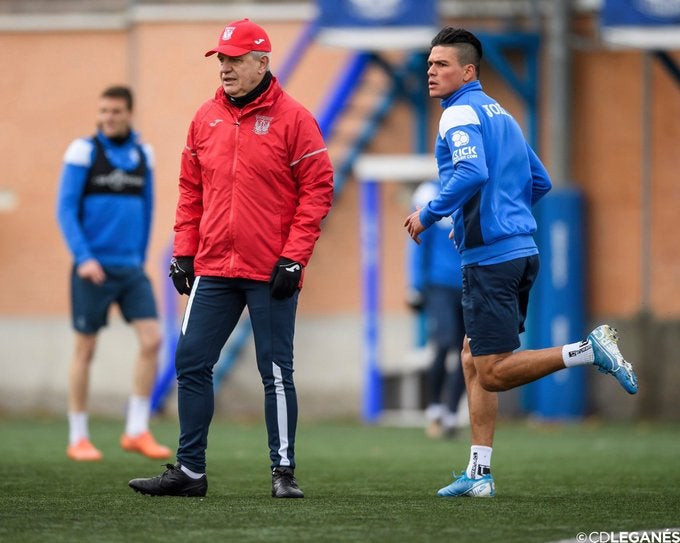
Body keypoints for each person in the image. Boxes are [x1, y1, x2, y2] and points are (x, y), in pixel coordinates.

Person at [403, 27, 638, 498]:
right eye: (429, 64)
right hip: (519, 251)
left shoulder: (459, 115)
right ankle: (479, 473)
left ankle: (589, 350)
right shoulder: (502, 114)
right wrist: (498, 215)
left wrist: (430, 214)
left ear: (468, 71)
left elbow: (471, 171)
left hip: (491, 260)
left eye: (442, 64)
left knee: (491, 370)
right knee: (473, 358)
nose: (432, 71)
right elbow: (541, 180)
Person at [128, 18, 334, 499]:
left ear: (263, 62)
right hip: (214, 266)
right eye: (221, 58)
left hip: (271, 270)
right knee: (191, 361)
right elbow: (189, 190)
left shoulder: (296, 118)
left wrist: (295, 257)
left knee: (276, 371)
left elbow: (317, 190)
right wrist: (183, 251)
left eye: (236, 59)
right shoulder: (205, 118)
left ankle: (283, 472)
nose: (225, 67)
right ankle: (190, 473)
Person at [56, 85, 171, 462]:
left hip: (131, 268)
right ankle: (78, 436)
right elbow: (66, 210)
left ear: (129, 114)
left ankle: (137, 429)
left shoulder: (143, 154)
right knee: (85, 348)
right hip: (92, 269)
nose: (108, 117)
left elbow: (149, 208)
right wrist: (84, 257)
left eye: (116, 111)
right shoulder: (83, 152)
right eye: (103, 110)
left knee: (152, 340)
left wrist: (139, 257)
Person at [406, 180, 466, 439]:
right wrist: (416, 284)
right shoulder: (429, 192)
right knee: (443, 343)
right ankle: (434, 409)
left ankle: (452, 413)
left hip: (471, 281)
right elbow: (418, 241)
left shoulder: (473, 186)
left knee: (468, 350)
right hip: (438, 284)